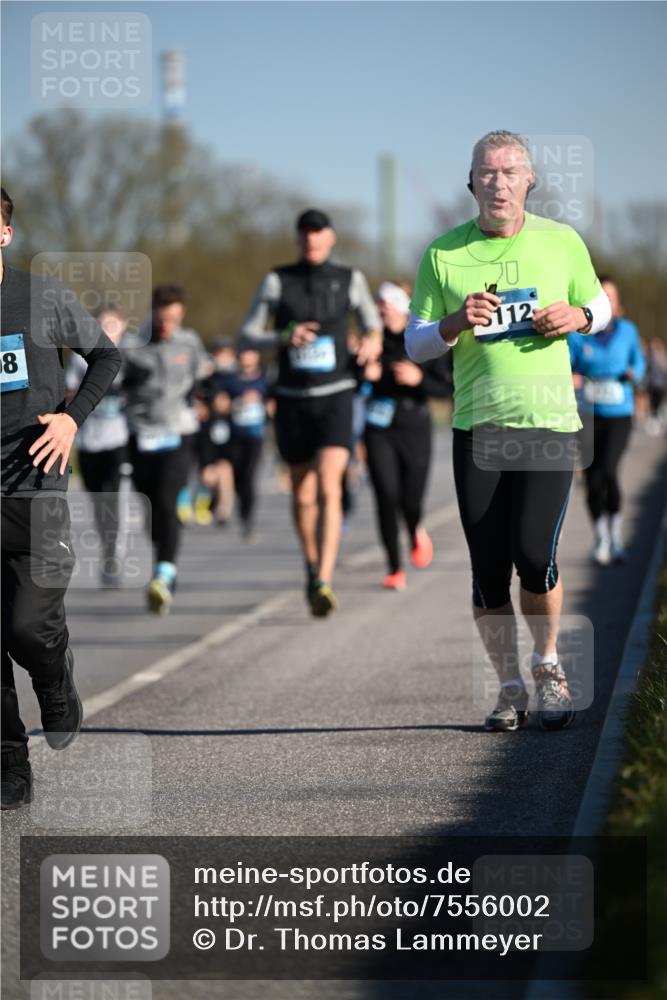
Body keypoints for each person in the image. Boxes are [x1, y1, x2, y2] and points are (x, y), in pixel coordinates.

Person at [405, 131, 611, 733]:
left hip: (547, 425)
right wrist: (451, 322)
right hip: (478, 430)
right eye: (486, 173)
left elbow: (601, 309)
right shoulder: (443, 254)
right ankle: (509, 688)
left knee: (533, 554)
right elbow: (414, 344)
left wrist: (577, 316)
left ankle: (548, 666)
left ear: (530, 181)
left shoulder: (562, 241)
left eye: (509, 171)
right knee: (488, 569)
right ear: (472, 183)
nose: (498, 182)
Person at [1, 187, 121, 809]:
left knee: (25, 625)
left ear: (4, 234)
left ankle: (53, 678)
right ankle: (9, 767)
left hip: (36, 487)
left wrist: (73, 419)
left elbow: (106, 355)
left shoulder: (39, 296)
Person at [240, 208, 382, 616]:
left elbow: (371, 324)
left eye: (318, 236)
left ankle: (324, 577)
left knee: (329, 485)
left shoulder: (350, 279)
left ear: (331, 238)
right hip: (291, 398)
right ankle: (311, 562)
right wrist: (283, 336)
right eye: (305, 236)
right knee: (302, 494)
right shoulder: (277, 279)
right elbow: (246, 334)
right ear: (298, 239)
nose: (312, 242)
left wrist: (371, 341)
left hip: (336, 394)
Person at [123, 284, 209, 616]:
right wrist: (129, 378)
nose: (166, 326)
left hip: (178, 431)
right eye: (162, 318)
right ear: (153, 312)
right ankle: (163, 556)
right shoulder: (132, 345)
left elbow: (203, 375)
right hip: (142, 434)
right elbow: (112, 380)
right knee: (151, 509)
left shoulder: (190, 343)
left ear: (181, 314)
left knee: (168, 500)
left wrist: (205, 397)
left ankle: (164, 572)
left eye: (173, 319)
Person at [364, 281, 450, 590]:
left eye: (386, 303)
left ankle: (415, 528)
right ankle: (394, 568)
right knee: (386, 495)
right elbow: (349, 371)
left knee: (411, 499)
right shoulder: (371, 341)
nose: (381, 309)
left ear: (402, 307)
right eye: (378, 304)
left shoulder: (421, 340)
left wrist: (419, 379)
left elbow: (445, 388)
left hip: (414, 425)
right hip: (378, 426)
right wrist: (363, 369)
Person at [569, 276, 646, 564]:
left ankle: (616, 535)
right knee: (591, 477)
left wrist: (633, 373)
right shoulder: (578, 334)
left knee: (609, 470)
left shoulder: (628, 331)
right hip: (587, 413)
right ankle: (600, 535)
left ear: (618, 303)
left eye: (611, 296)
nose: (607, 300)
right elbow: (567, 361)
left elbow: (638, 360)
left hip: (618, 413)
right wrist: (571, 375)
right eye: (601, 295)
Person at [65, 305, 129, 586]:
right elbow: (68, 392)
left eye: (113, 325)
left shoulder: (133, 356)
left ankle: (117, 553)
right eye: (103, 325)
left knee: (116, 498)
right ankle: (108, 548)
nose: (108, 331)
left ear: (124, 326)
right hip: (90, 442)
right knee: (98, 503)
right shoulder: (80, 359)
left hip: (120, 440)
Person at [227, 347, 269, 542]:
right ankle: (242, 509)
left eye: (251, 353)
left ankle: (248, 519)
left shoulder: (264, 380)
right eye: (243, 353)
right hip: (235, 435)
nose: (246, 357)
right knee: (238, 476)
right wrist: (238, 403)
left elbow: (272, 404)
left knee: (250, 476)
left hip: (256, 435)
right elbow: (219, 405)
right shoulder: (230, 381)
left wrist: (265, 404)